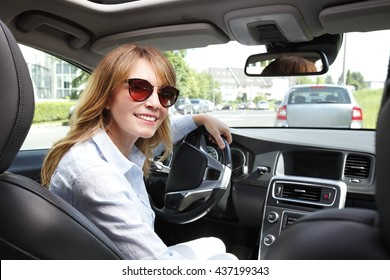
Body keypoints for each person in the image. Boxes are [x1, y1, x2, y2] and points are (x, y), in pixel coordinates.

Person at [41, 44, 236, 260]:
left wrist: (200, 119)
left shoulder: (115, 147)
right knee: (227, 260)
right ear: (106, 97)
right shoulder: (96, 176)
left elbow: (158, 140)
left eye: (165, 94)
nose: (155, 104)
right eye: (139, 88)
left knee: (216, 244)